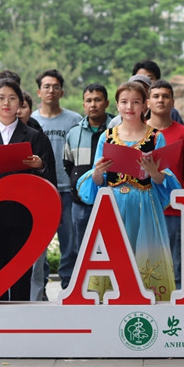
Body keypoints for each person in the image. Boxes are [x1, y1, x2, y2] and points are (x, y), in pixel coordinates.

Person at [76, 81, 180, 301]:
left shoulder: (155, 137)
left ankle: (147, 300)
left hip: (145, 205)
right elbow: (97, 180)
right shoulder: (107, 136)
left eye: (135, 102)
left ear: (145, 105)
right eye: (124, 102)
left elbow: (165, 180)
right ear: (117, 105)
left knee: (145, 255)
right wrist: (98, 172)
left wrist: (153, 172)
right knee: (113, 253)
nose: (129, 107)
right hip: (113, 205)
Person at [0, 78, 57, 301]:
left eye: (12, 98)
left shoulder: (34, 136)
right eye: (1, 98)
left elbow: (49, 180)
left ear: (20, 103)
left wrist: (39, 166)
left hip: (22, 215)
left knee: (20, 277)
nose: (6, 103)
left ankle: (20, 320)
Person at [31, 69, 82, 296]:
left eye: (55, 86)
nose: (51, 90)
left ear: (62, 92)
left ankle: (68, 288)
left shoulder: (74, 120)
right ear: (39, 92)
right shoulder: (32, 120)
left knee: (70, 243)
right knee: (39, 242)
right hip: (41, 190)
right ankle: (39, 289)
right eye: (46, 86)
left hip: (67, 189)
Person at [145, 80, 184, 288]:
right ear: (147, 102)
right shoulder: (138, 132)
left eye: (166, 96)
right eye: (156, 96)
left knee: (175, 264)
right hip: (144, 206)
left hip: (173, 209)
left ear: (173, 102)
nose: (161, 100)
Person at [63, 83, 115, 282]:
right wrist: (80, 183)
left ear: (107, 103)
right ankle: (84, 288)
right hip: (81, 203)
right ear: (83, 104)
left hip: (112, 200)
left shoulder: (116, 130)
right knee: (82, 248)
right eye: (89, 100)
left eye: (98, 100)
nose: (93, 104)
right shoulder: (74, 133)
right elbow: (68, 164)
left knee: (111, 247)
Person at [132, 59, 184, 125]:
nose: (144, 82)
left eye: (149, 78)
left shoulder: (170, 112)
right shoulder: (127, 112)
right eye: (140, 79)